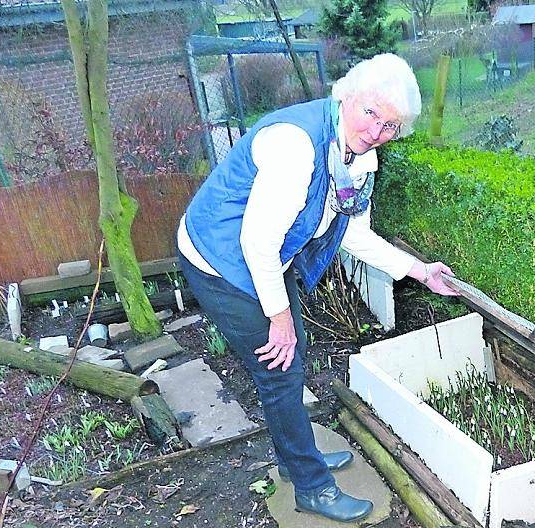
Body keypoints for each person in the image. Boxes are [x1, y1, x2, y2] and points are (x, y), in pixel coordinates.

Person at [176, 53, 458, 523]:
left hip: (266, 252)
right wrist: (278, 316)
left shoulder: (360, 158)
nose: (376, 132)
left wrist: (419, 270)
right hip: (220, 257)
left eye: (390, 126)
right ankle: (311, 487)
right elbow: (256, 242)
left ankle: (294, 456)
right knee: (280, 367)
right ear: (346, 95)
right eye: (371, 113)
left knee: (293, 352)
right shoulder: (297, 146)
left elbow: (353, 231)